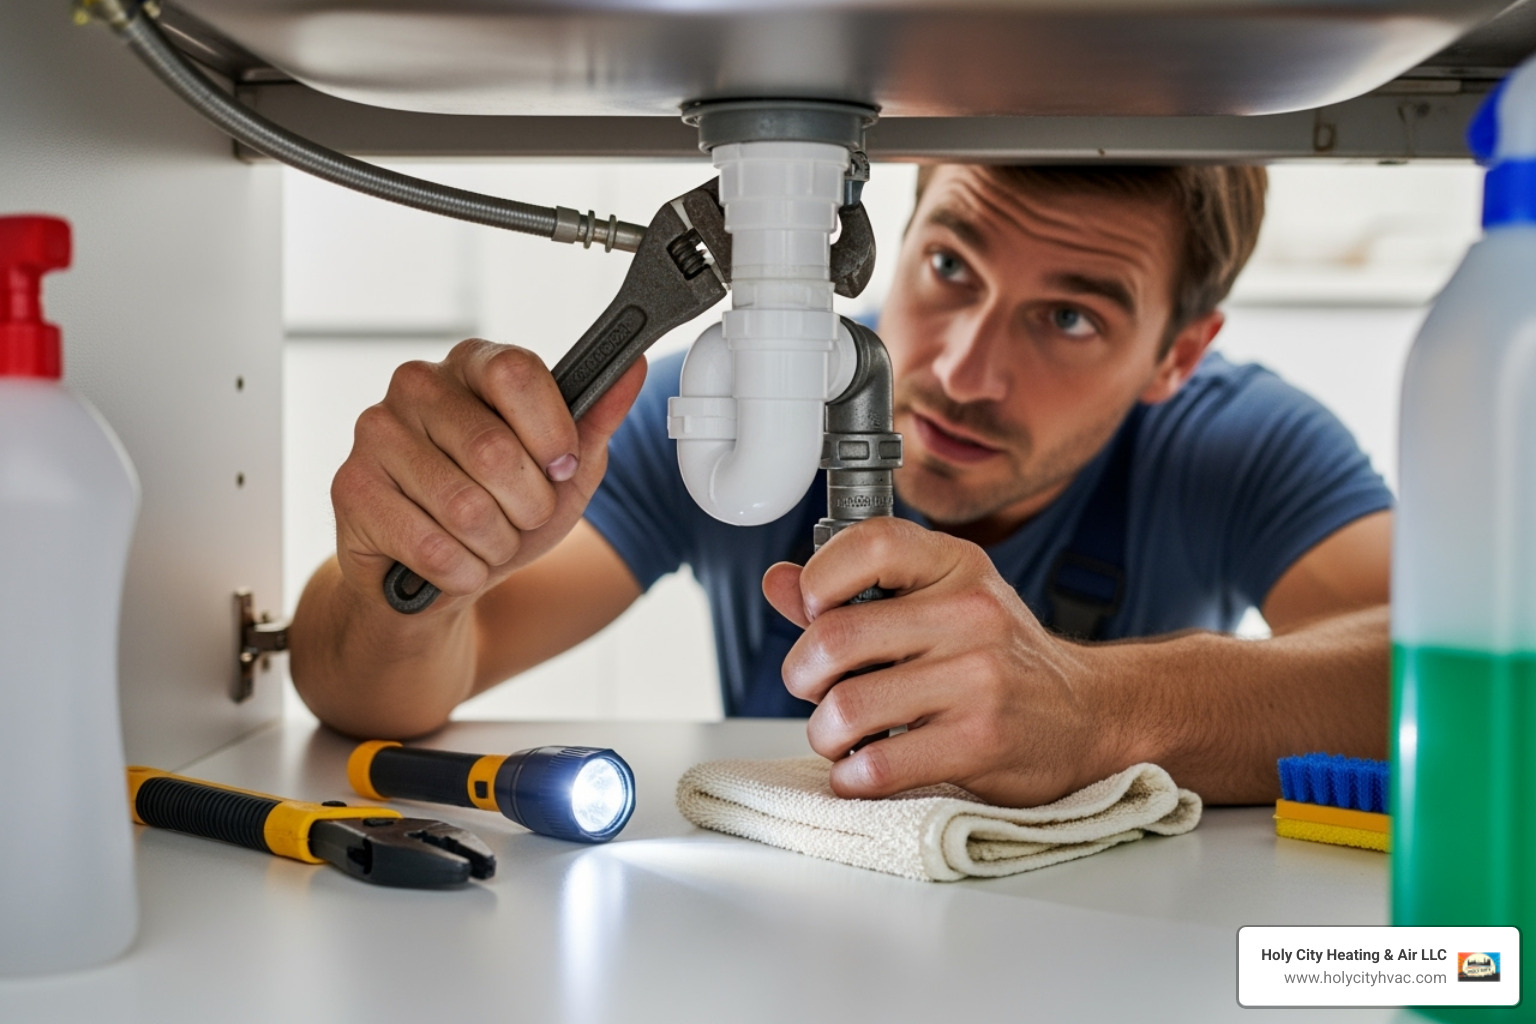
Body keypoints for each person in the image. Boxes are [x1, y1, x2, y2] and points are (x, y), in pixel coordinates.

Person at [289, 163, 1393, 808]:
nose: (962, 372)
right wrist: (416, 557)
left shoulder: (1238, 442)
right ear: (897, 235)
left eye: (1069, 317)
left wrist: (1099, 707)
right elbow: (375, 690)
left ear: (1177, 354)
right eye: (951, 267)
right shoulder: (729, 406)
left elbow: (1477, 679)